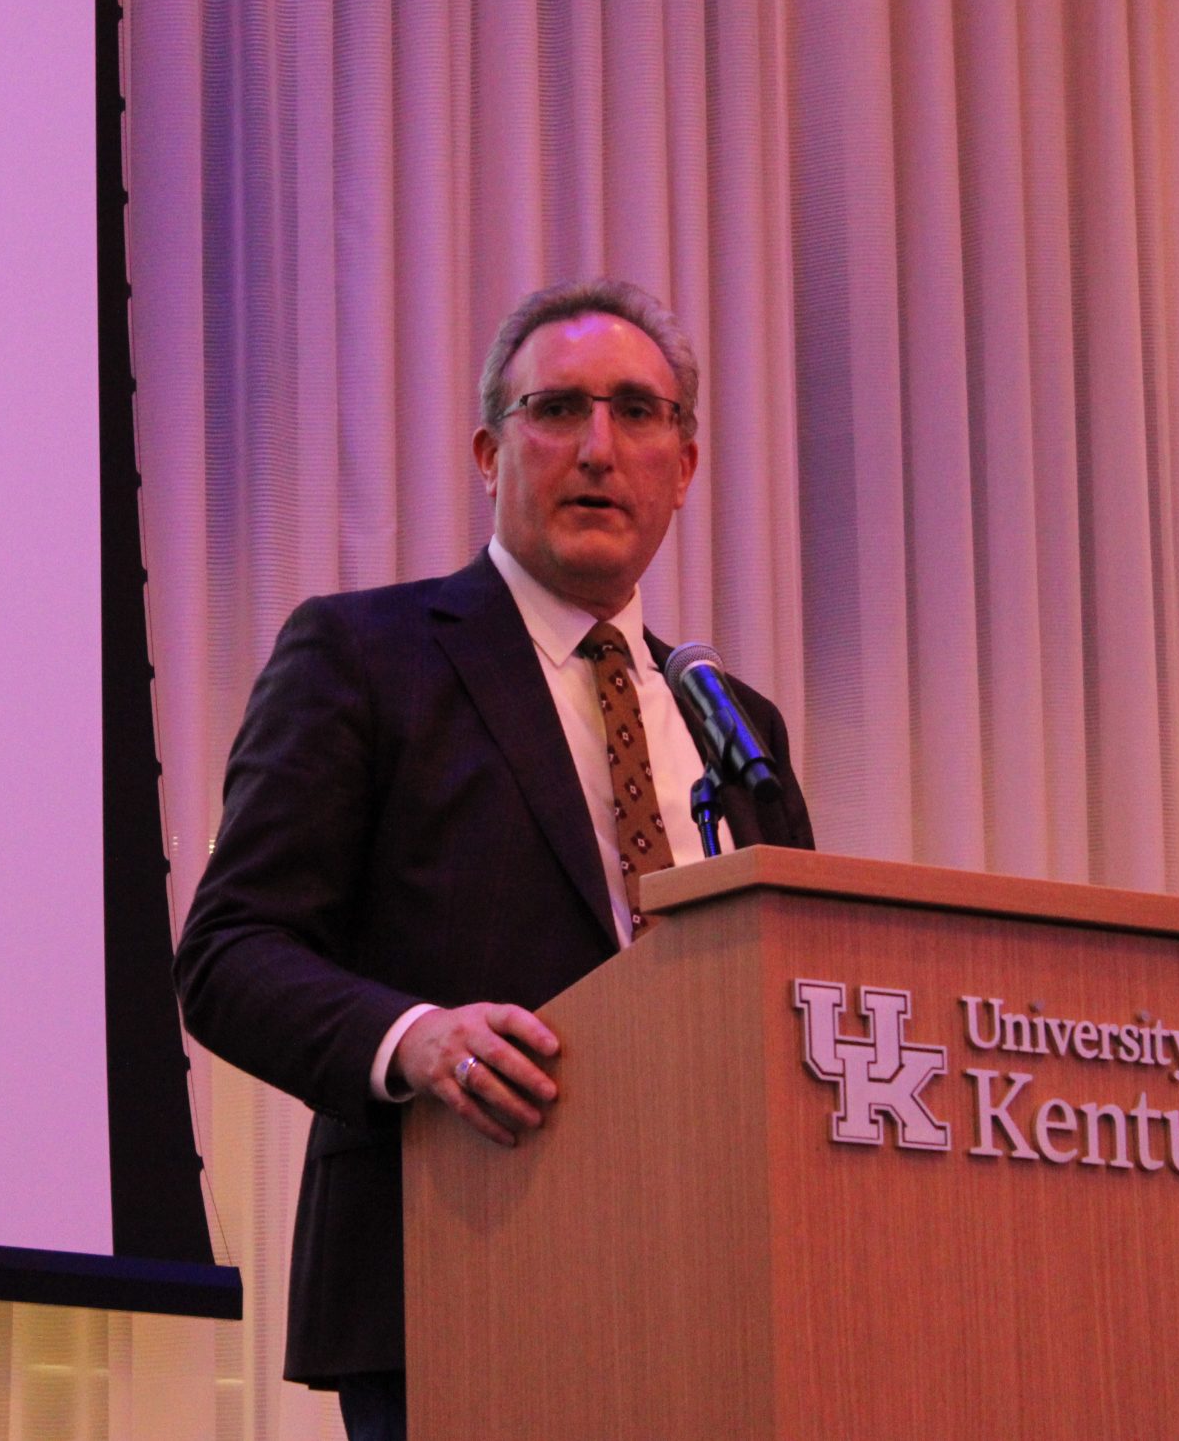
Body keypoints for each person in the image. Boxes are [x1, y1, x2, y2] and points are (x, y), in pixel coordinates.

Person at [173, 279, 816, 1441]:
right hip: (460, 1265)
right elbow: (227, 954)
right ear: (489, 450)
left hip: (719, 1292)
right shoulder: (363, 656)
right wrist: (414, 1040)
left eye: (637, 412)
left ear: (687, 464)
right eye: (557, 410)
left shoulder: (731, 716)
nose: (598, 449)